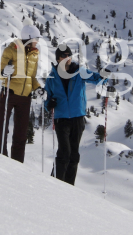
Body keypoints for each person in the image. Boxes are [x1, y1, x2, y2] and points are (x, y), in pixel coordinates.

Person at [43, 43, 111, 185]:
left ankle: (69, 187)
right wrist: (49, 105)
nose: (67, 58)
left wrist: (104, 76)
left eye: (69, 55)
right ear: (58, 59)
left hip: (77, 118)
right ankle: (55, 183)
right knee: (64, 153)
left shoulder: (79, 71)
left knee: (74, 154)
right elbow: (47, 99)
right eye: (63, 56)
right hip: (61, 119)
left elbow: (95, 78)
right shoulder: (52, 77)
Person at [0, 24, 43, 162]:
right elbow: (0, 73)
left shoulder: (34, 54)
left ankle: (17, 164)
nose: (37, 41)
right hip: (9, 93)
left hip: (25, 98)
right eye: (35, 38)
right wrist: (4, 72)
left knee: (21, 134)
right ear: (28, 38)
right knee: (1, 129)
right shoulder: (11, 50)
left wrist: (38, 88)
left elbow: (32, 78)